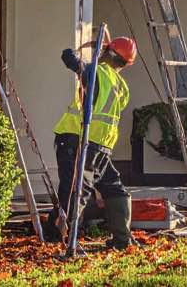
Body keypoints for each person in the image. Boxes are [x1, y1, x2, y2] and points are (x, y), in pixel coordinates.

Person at [44, 31, 137, 250]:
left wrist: (84, 48)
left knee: (75, 190)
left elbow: (68, 57)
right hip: (103, 147)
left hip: (77, 140)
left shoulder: (97, 72)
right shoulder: (121, 86)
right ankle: (122, 240)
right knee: (114, 188)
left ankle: (64, 239)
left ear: (107, 51)